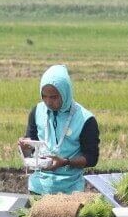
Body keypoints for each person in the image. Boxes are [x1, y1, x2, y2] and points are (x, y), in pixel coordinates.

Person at [19, 65, 100, 194]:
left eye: (54, 97)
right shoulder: (37, 111)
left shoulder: (86, 119)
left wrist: (65, 162)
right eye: (44, 96)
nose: (48, 102)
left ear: (65, 93)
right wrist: (26, 148)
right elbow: (32, 149)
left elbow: (91, 158)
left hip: (69, 190)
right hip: (38, 187)